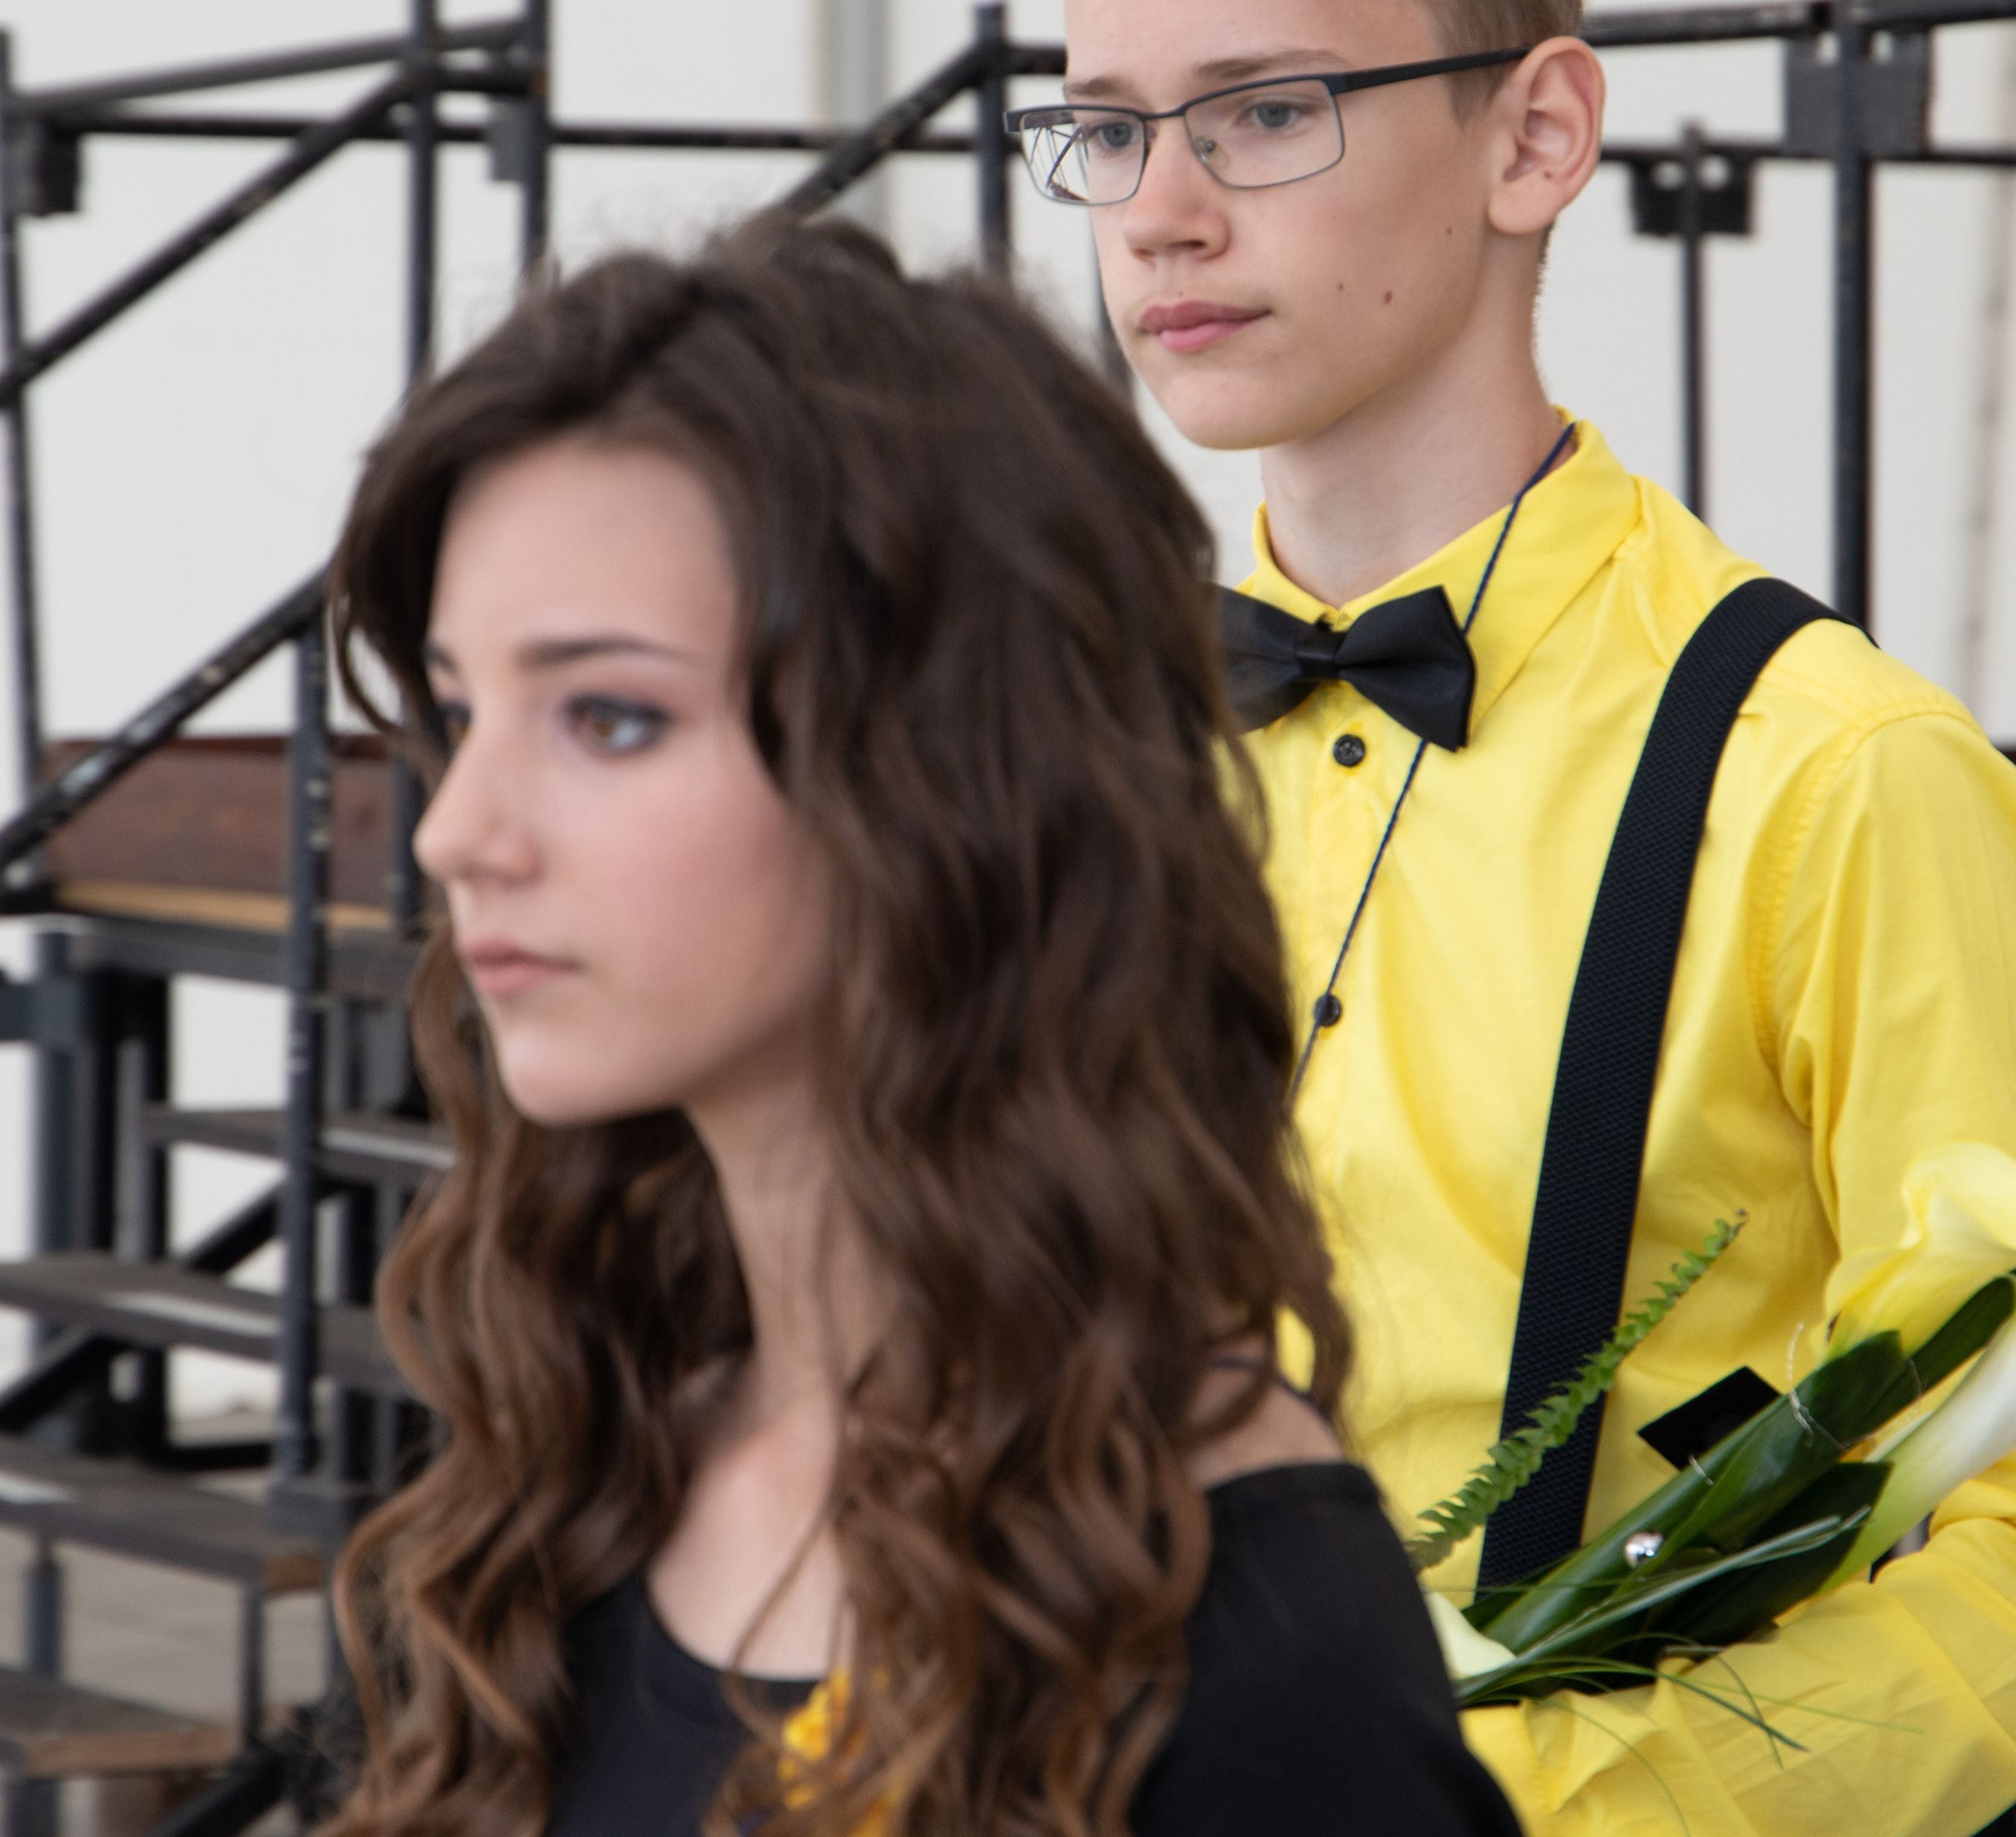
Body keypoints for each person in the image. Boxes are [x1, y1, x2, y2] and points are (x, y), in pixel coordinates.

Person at [1020, 0, 2016, 1834]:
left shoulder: (1837, 780)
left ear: (1537, 136)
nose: (1162, 217)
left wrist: (1511, 1800)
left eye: (1265, 112)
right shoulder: (1081, 752)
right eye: (1109, 129)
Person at [317, 220, 1520, 1837]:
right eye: (463, 713)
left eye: (608, 717)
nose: (458, 831)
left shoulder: (1258, 1650)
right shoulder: (578, 1481)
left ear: (950, 774)